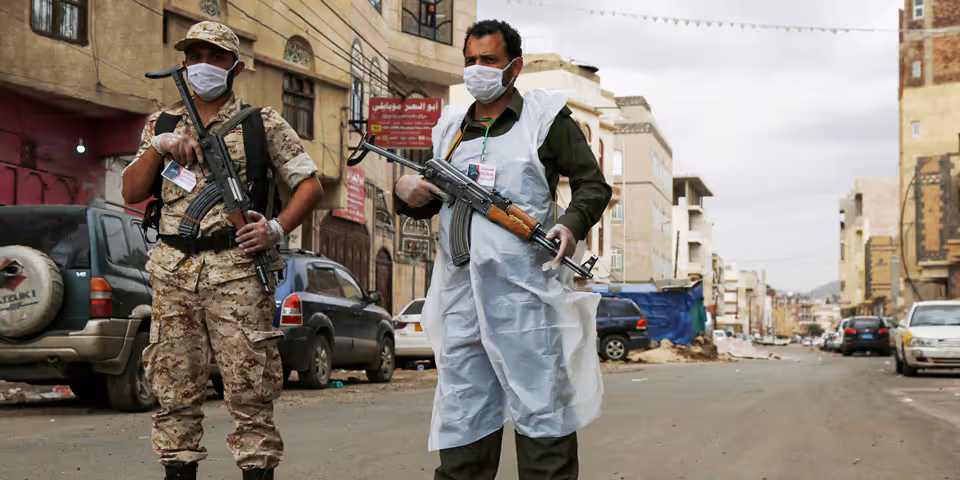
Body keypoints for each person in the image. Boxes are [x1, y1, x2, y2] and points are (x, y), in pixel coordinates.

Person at [393, 20, 612, 480]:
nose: (477, 69)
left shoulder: (544, 119)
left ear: (515, 66)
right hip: (461, 299)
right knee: (464, 417)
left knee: (543, 413)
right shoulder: (450, 127)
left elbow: (592, 185)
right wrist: (405, 191)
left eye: (489, 60)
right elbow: (430, 200)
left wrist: (571, 226)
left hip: (525, 299)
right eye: (470, 60)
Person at [121, 21, 324, 480]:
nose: (204, 65)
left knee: (251, 391)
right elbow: (131, 191)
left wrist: (274, 228)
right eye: (195, 56)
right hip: (173, 272)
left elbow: (309, 185)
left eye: (216, 57)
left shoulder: (261, 122)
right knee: (173, 389)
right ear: (183, 63)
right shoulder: (162, 123)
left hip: (237, 270)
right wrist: (159, 147)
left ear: (237, 66)